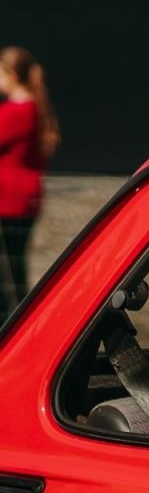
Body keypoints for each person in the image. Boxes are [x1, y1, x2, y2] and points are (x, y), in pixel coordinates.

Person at [0, 47, 61, 313]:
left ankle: (13, 320)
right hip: (22, 198)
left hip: (9, 200)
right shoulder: (34, 107)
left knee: (10, 269)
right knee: (14, 265)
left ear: (12, 74)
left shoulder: (18, 111)